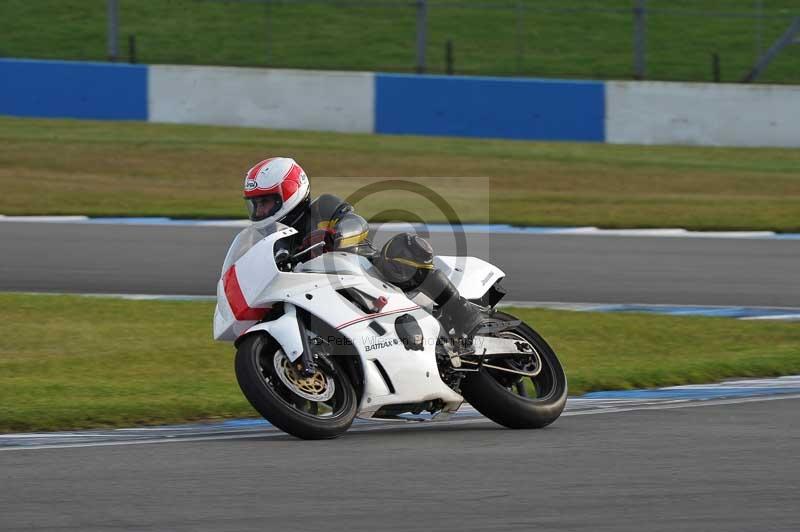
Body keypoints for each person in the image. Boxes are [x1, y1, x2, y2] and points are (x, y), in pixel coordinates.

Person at [242, 156, 483, 346]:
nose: (260, 211)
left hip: (367, 271)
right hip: (321, 296)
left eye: (266, 202)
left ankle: (461, 310)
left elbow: (354, 221)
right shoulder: (276, 241)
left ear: (291, 192)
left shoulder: (322, 207)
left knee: (403, 248)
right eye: (256, 204)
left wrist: (339, 237)